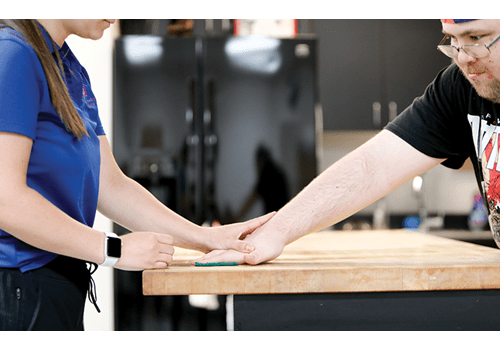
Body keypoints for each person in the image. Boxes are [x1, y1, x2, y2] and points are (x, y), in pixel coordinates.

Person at [0, 19, 273, 331]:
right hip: (18, 288)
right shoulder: (12, 53)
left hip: (59, 282)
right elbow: (5, 199)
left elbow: (110, 184)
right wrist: (112, 249)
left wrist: (204, 238)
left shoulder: (67, 67)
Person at [194, 19, 500, 266]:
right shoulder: (459, 88)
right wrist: (274, 233)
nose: (463, 58)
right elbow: (373, 165)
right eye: (453, 41)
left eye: (477, 37)